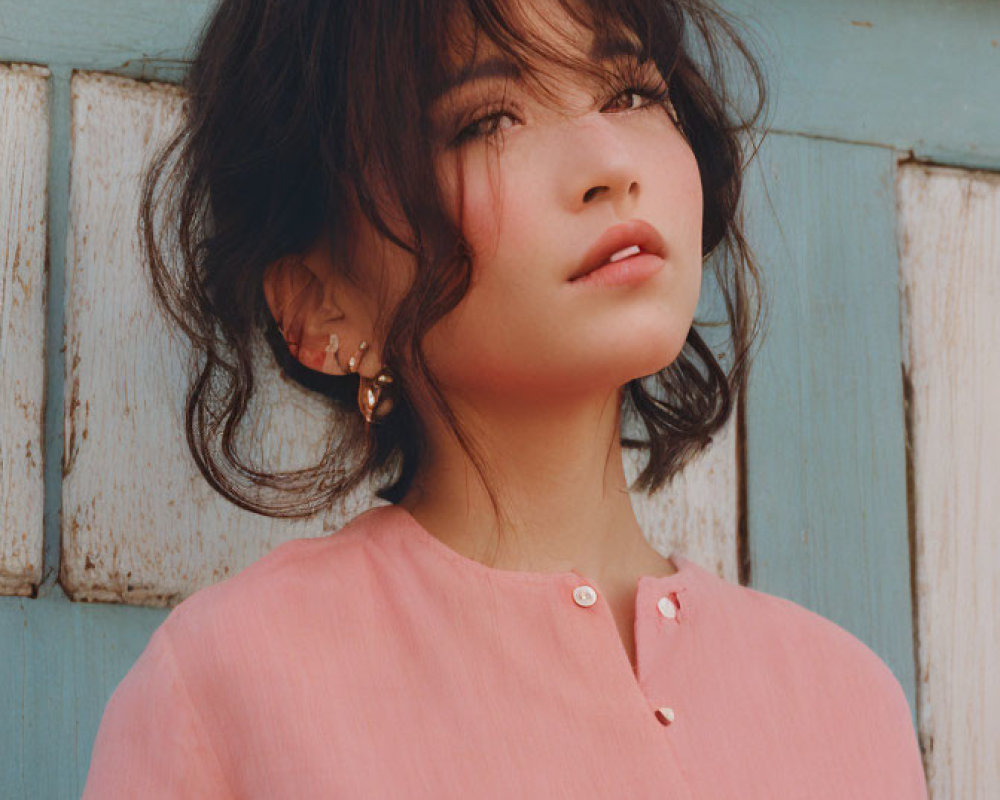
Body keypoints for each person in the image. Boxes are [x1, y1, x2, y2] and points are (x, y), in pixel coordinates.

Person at [82, 0, 929, 796]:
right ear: (317, 300)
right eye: (489, 119)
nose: (610, 163)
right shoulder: (228, 686)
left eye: (632, 92)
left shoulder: (846, 701)